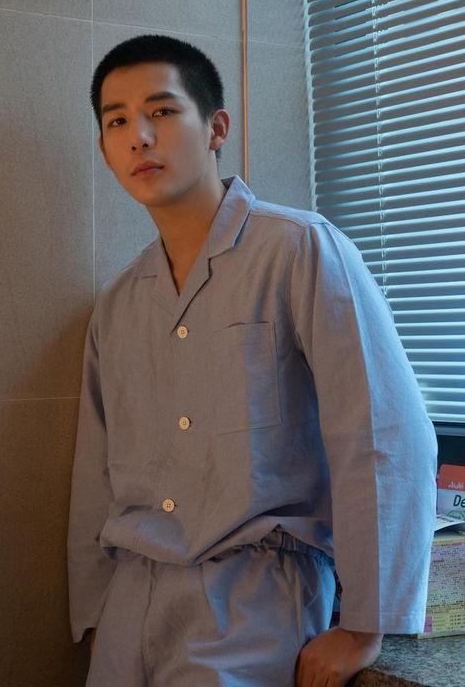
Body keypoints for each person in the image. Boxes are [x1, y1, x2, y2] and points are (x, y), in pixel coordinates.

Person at [67, 34, 437, 687]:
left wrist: (365, 625)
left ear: (217, 128)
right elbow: (95, 471)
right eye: (117, 122)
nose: (139, 137)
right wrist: (96, 613)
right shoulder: (119, 302)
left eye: (162, 111)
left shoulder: (300, 249)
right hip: (130, 601)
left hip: (253, 599)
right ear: (103, 149)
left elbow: (380, 433)